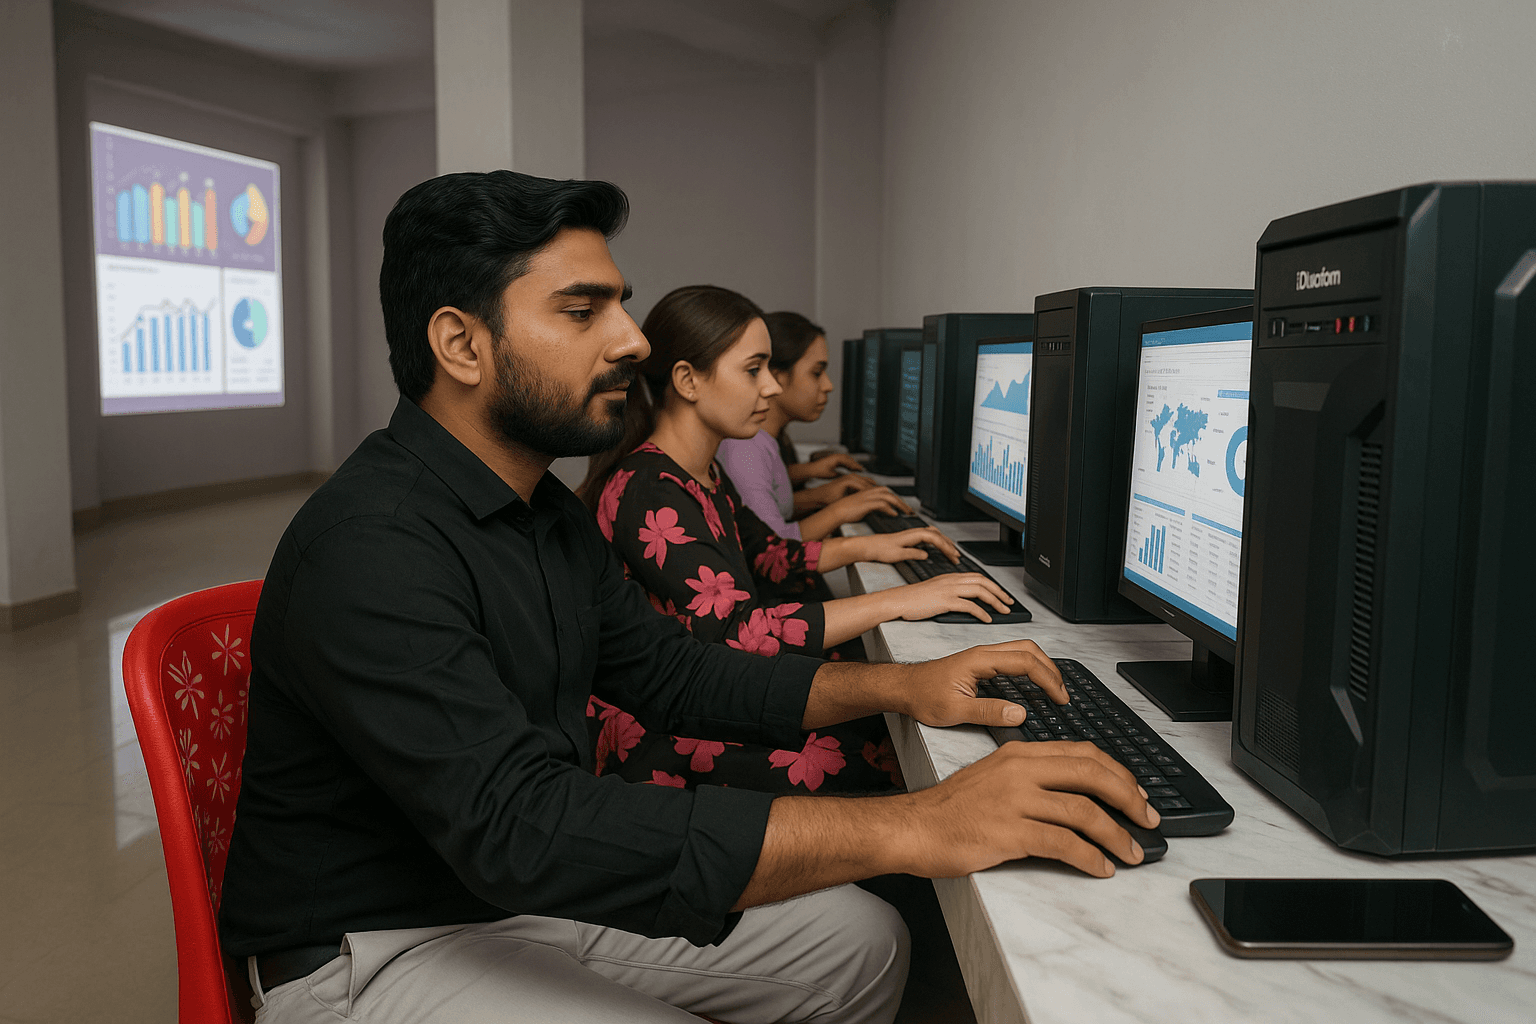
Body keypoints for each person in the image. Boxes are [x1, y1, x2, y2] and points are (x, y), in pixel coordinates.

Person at [220, 170, 1160, 1024]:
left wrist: (901, 689)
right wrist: (920, 821)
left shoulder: (542, 509)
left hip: (505, 897)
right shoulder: (372, 547)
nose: (631, 340)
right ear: (461, 344)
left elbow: (675, 673)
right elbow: (522, 826)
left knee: (864, 947)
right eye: (583, 311)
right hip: (373, 950)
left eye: (621, 306)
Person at [716, 311, 895, 541]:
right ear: (777, 377)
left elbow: (770, 505)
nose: (828, 385)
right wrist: (840, 511)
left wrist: (819, 489)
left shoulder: (763, 441)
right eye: (816, 373)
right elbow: (772, 548)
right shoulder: (745, 448)